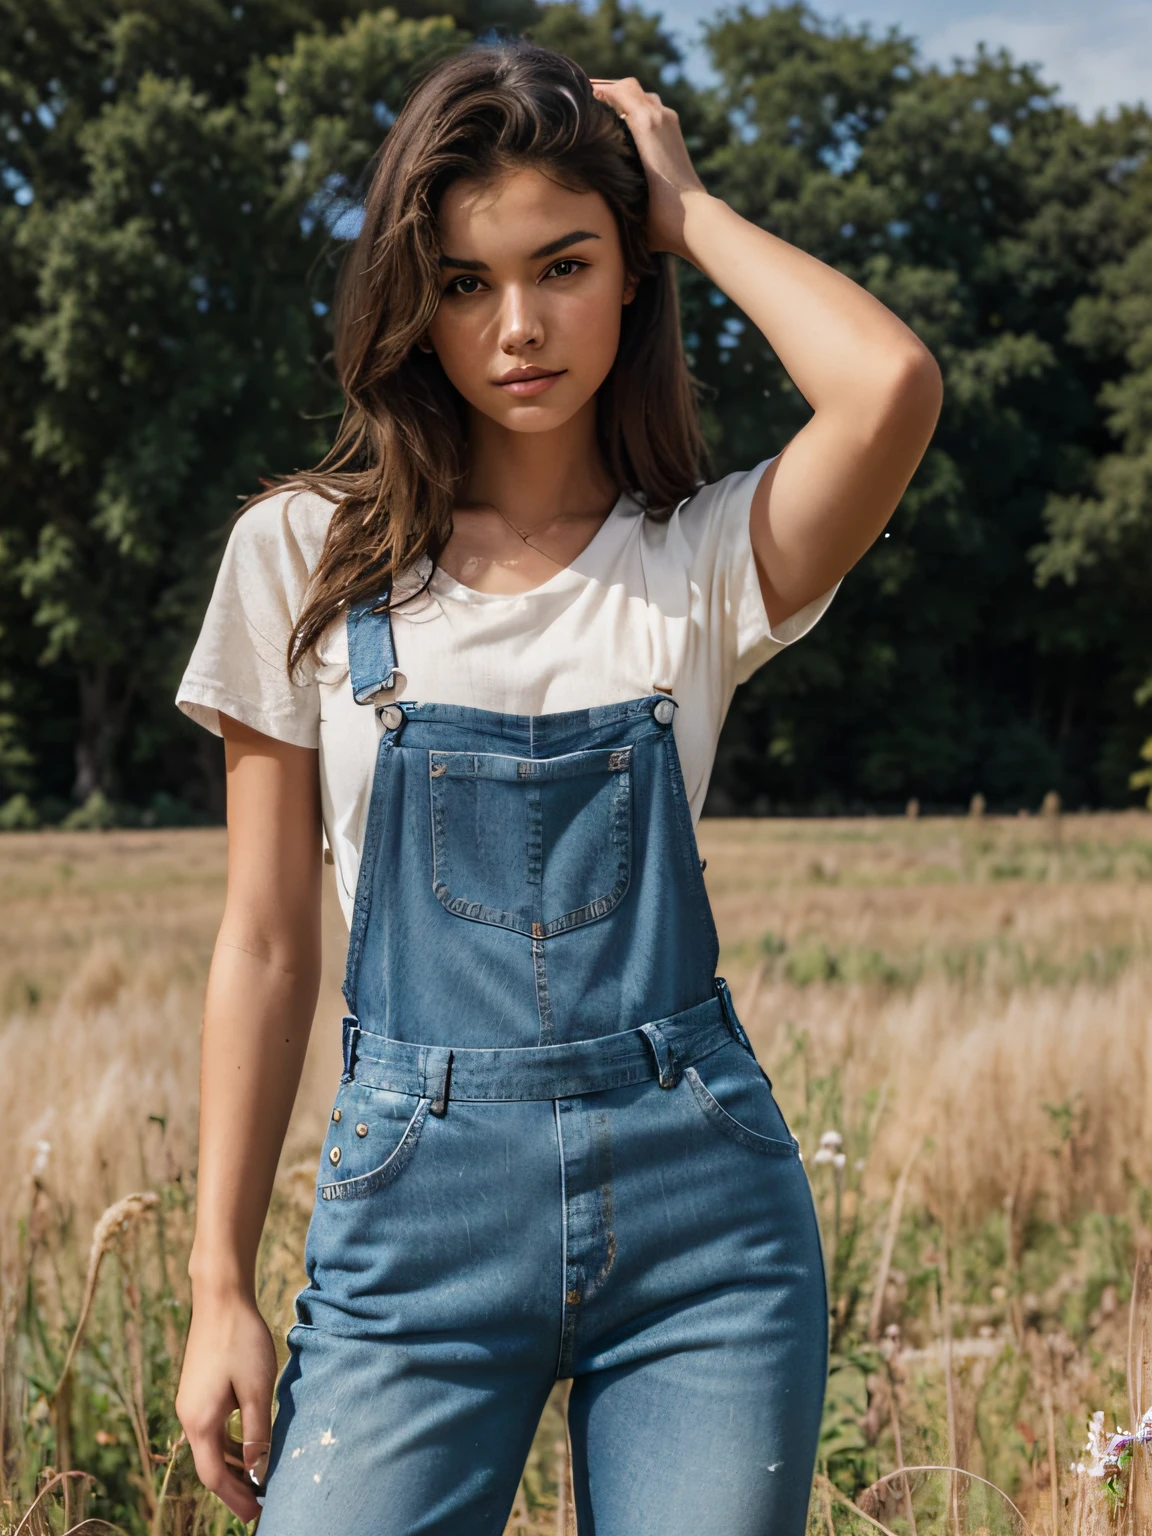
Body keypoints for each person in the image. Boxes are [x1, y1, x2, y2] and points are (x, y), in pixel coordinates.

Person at [172, 37, 941, 1536]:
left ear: (631, 274)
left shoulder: (701, 559)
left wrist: (692, 207)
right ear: (412, 300)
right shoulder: (303, 560)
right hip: (413, 1232)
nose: (517, 327)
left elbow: (890, 385)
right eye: (464, 282)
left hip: (702, 1230)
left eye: (565, 264)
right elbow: (265, 945)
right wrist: (218, 1287)